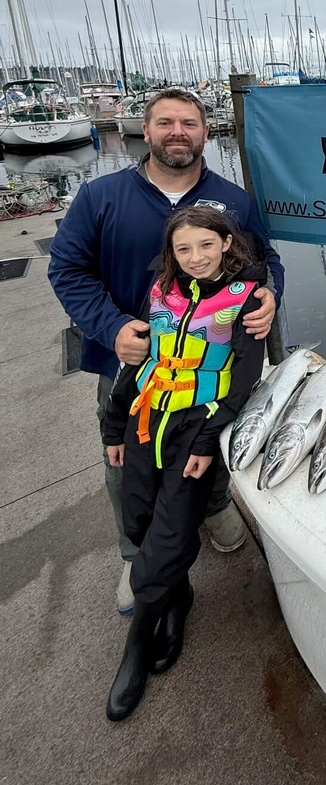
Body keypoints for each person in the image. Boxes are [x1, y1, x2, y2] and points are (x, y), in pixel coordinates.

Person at [48, 86, 284, 614]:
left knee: (211, 442)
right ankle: (136, 554)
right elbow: (65, 268)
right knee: (126, 460)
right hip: (133, 363)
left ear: (205, 132)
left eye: (189, 124)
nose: (178, 133)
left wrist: (270, 293)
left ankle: (218, 506)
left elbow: (264, 259)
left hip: (210, 366)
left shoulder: (234, 199)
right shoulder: (100, 197)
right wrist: (111, 328)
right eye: (166, 123)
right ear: (145, 131)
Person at [102, 207, 267, 720]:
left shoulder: (246, 301)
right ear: (171, 253)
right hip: (145, 422)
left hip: (194, 430)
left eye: (206, 246)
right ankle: (178, 600)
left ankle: (134, 650)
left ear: (226, 244)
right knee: (141, 521)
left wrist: (205, 441)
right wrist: (115, 426)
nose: (195, 258)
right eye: (183, 249)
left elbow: (243, 382)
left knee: (171, 532)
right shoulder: (161, 294)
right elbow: (141, 362)